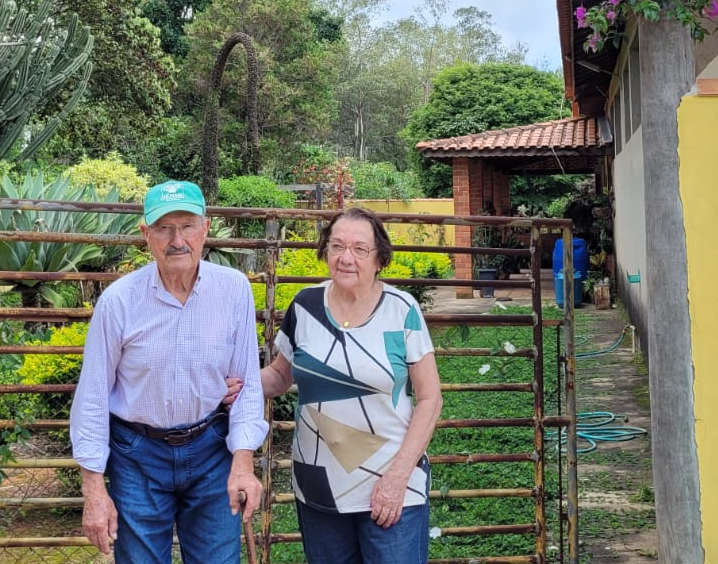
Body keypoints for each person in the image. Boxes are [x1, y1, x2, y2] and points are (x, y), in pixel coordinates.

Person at [70, 180, 268, 563]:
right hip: (138, 455)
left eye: (187, 225)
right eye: (164, 228)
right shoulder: (119, 302)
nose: (178, 240)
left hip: (212, 447)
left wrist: (242, 463)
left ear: (205, 228)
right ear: (146, 234)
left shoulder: (234, 290)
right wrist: (93, 490)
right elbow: (92, 395)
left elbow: (246, 385)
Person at [259, 207, 443, 564]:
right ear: (325, 251)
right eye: (337, 246)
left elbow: (429, 398)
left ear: (379, 259)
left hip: (390, 484)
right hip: (320, 486)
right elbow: (281, 376)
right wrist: (234, 385)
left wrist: (398, 476)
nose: (346, 258)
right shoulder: (305, 306)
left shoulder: (400, 309)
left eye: (360, 249)